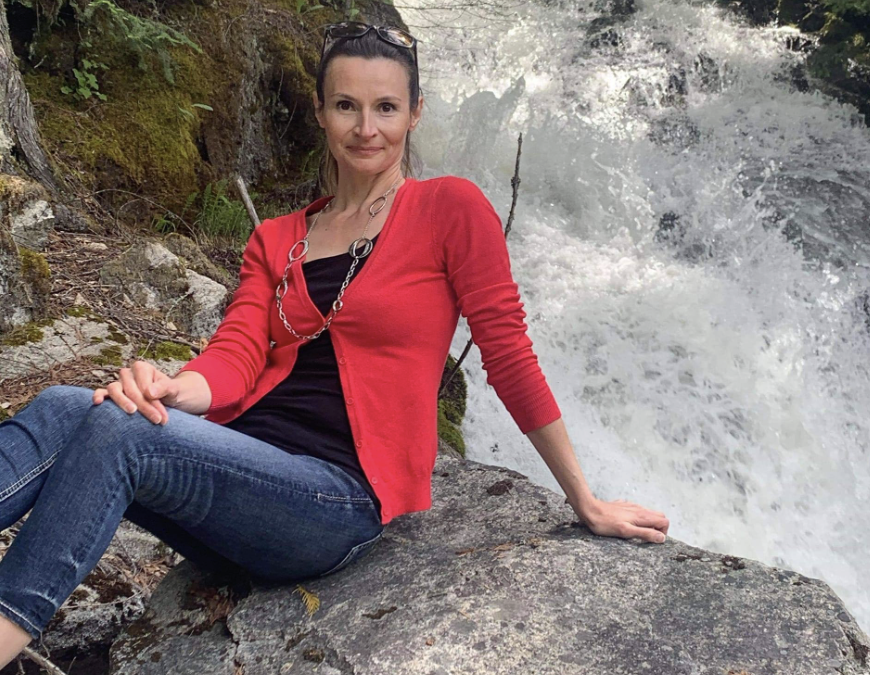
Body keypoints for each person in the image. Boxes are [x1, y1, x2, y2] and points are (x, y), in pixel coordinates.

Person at [0, 21, 669, 665]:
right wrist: (173, 389)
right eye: (347, 105)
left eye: (386, 107)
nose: (366, 127)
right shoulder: (278, 237)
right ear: (320, 112)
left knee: (120, 430)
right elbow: (236, 354)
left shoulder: (449, 208)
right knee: (65, 405)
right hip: (236, 479)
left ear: (415, 113)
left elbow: (508, 351)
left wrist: (584, 498)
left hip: (331, 500)